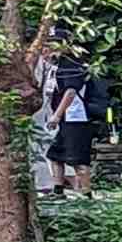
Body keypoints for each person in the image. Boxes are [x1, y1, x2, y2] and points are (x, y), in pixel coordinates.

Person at [41, 40, 105, 195]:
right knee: (55, 154)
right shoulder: (57, 65)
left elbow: (71, 92)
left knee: (78, 159)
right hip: (65, 119)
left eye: (48, 46)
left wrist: (57, 115)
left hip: (76, 117)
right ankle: (58, 190)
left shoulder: (71, 66)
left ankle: (86, 193)